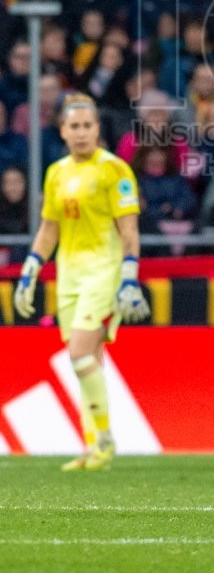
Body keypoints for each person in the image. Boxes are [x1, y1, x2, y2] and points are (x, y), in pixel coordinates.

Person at [13, 93, 150, 470]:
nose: (81, 133)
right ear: (62, 131)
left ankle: (103, 440)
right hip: (68, 273)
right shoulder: (57, 172)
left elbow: (129, 228)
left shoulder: (114, 169)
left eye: (88, 126)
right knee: (90, 360)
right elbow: (48, 228)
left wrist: (128, 276)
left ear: (97, 129)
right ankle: (95, 448)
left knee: (77, 353)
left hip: (103, 270)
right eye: (74, 126)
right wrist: (30, 270)